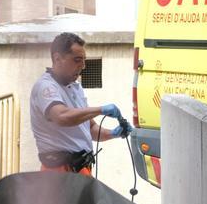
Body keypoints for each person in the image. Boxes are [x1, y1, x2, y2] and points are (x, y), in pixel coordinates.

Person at [30, 32, 132, 175]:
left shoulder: (75, 87)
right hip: (60, 172)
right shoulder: (46, 87)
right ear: (57, 58)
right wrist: (100, 110)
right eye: (77, 60)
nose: (83, 66)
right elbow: (62, 116)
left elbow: (90, 129)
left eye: (84, 60)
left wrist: (114, 133)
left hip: (80, 169)